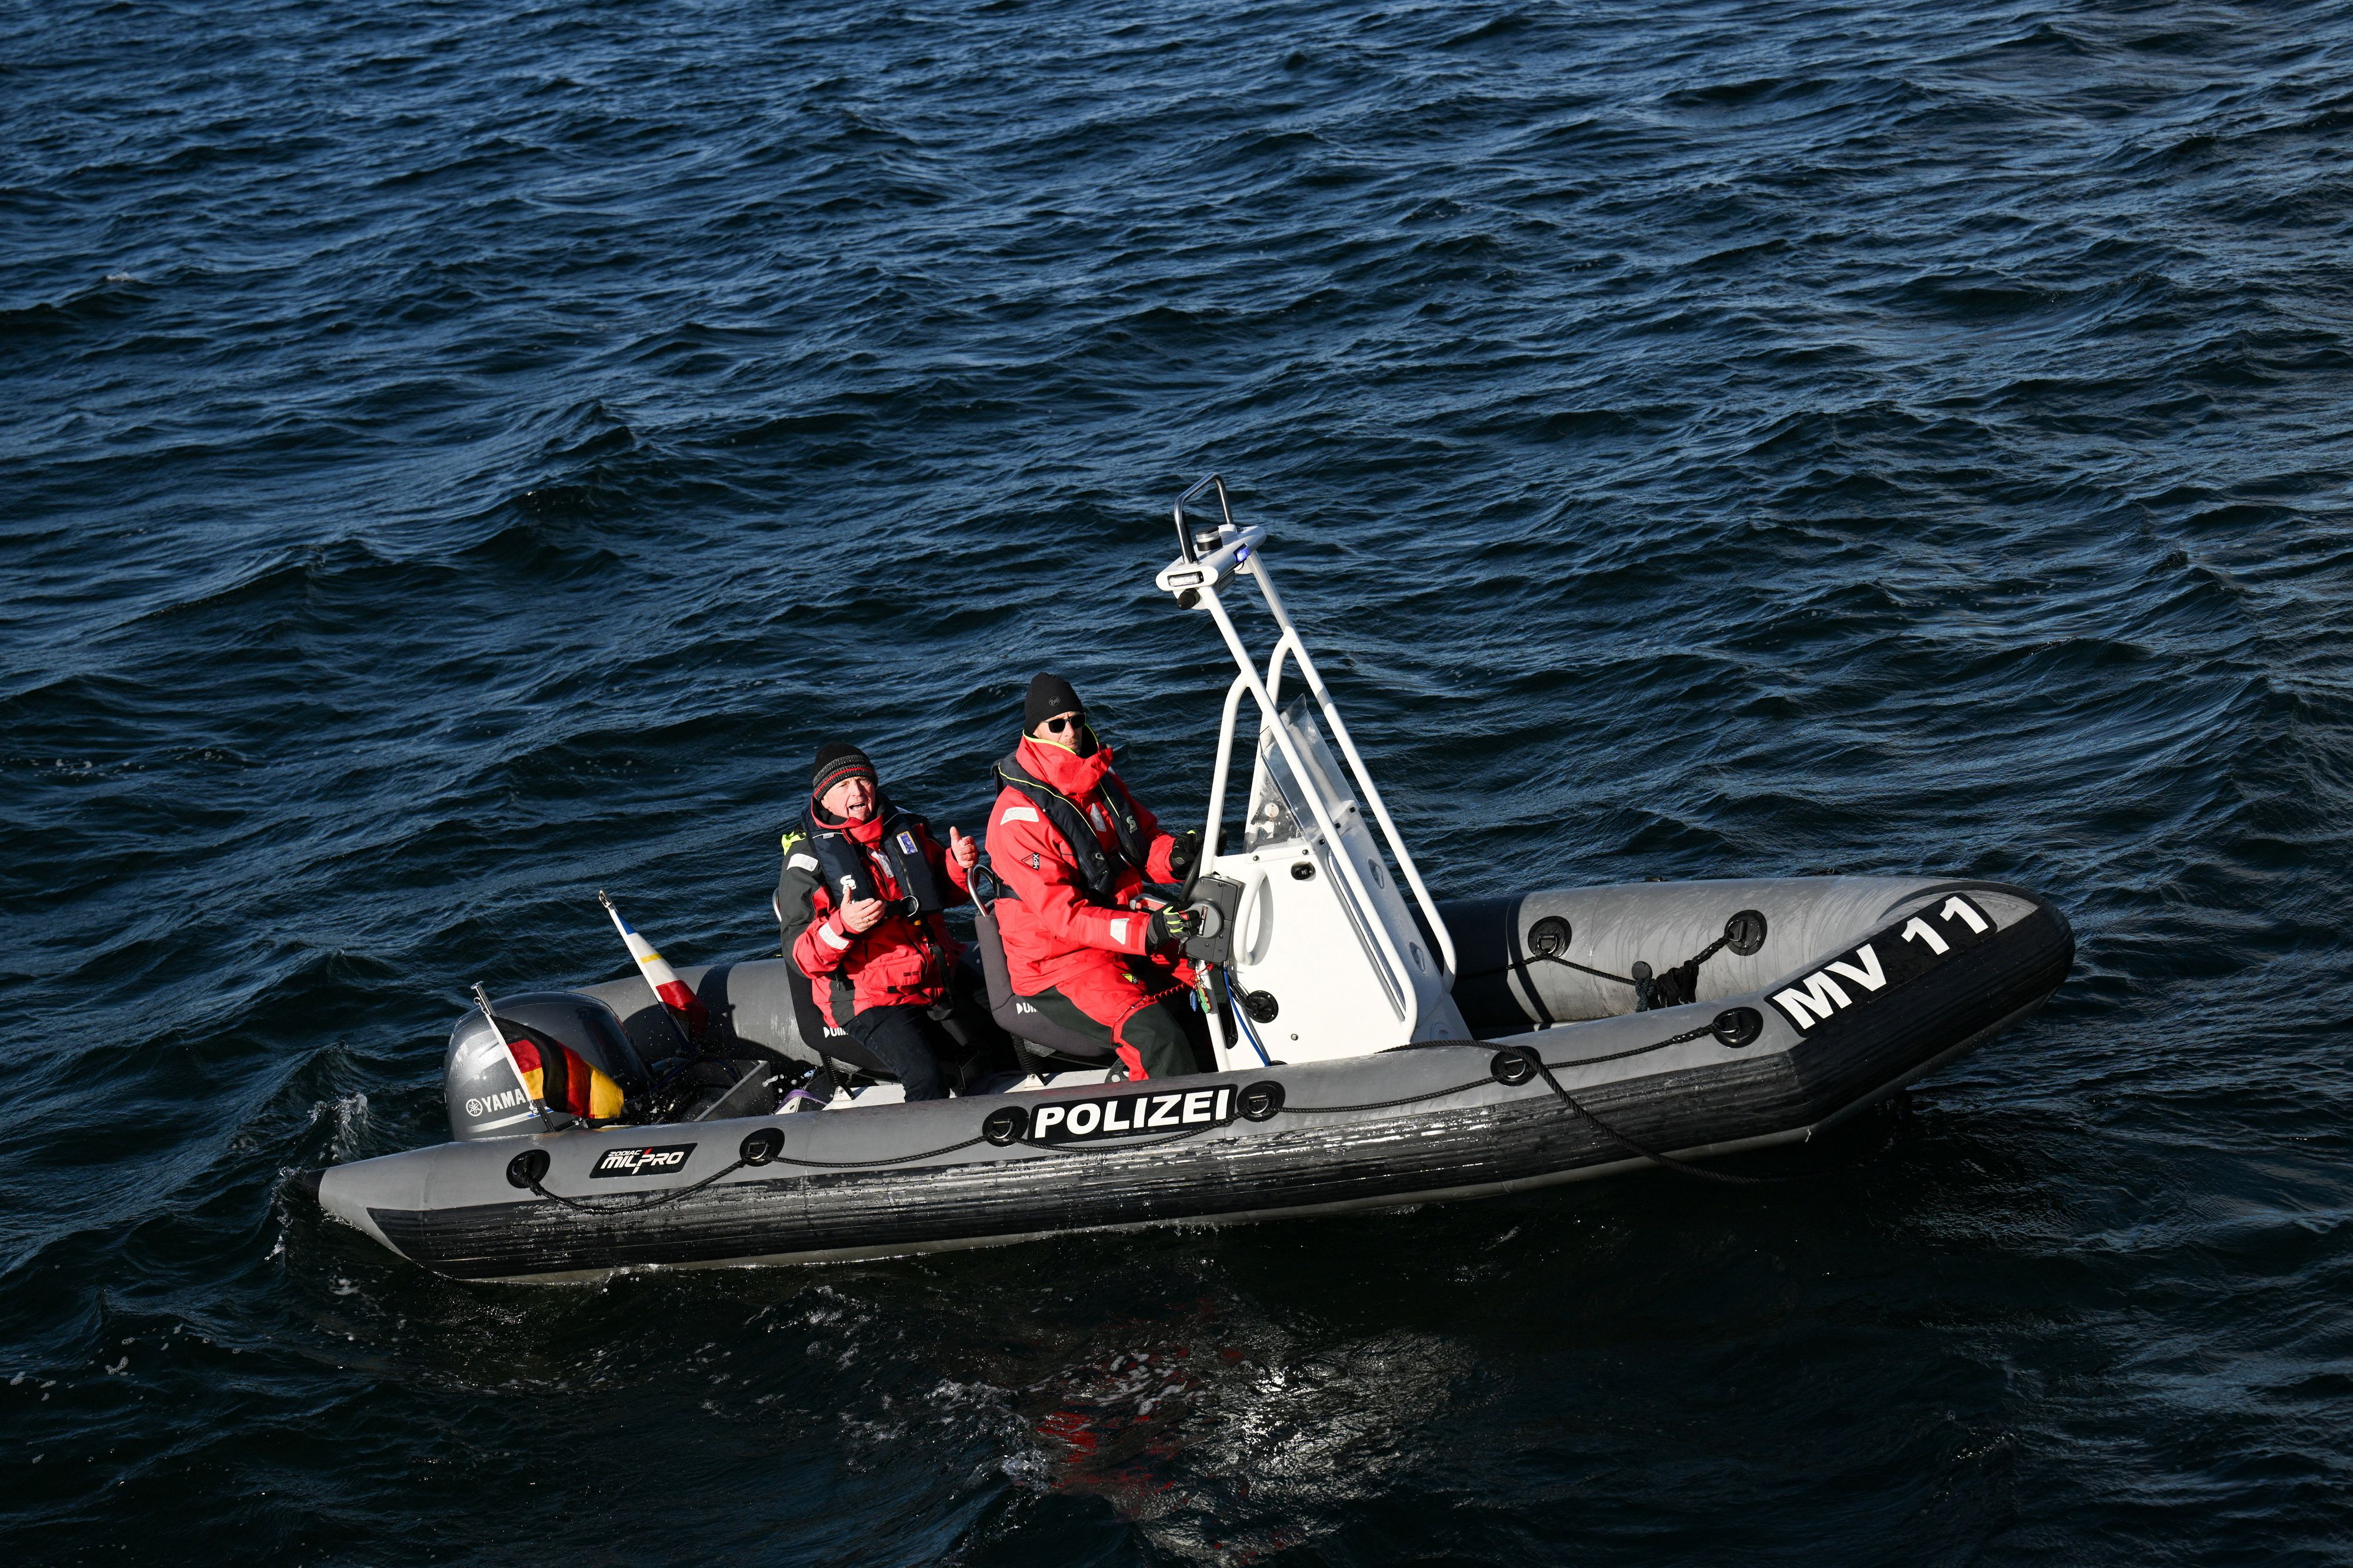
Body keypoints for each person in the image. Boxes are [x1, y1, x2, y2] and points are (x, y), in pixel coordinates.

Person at [986, 673, 1208, 1082]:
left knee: (1214, 978)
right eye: (1057, 724)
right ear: (1034, 732)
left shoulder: (1101, 782)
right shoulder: (1016, 817)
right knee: (1153, 1035)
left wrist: (1176, 857)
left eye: (1076, 720)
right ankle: (1167, 1133)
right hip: (1059, 961)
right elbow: (1063, 918)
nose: (1070, 732)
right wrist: (1147, 931)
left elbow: (1144, 845)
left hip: (1120, 932)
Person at [777, 743, 987, 1102]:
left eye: (863, 781)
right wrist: (843, 926)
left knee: (996, 1045)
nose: (856, 792)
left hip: (931, 975)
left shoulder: (907, 828)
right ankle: (931, 1154)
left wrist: (958, 865)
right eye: (842, 786)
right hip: (866, 996)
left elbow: (942, 893)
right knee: (927, 1081)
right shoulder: (807, 860)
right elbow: (799, 956)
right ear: (823, 799)